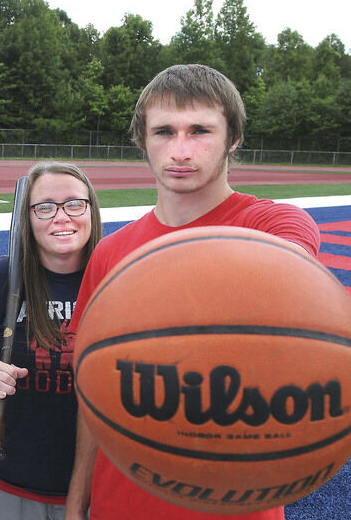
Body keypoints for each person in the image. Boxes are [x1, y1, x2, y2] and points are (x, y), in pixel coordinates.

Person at [63, 64, 320, 520]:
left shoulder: (268, 223)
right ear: (142, 139)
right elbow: (93, 392)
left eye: (200, 130)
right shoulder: (110, 253)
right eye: (164, 131)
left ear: (233, 138)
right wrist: (78, 498)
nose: (180, 150)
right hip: (118, 505)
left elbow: (291, 262)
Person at [0, 161, 103, 519]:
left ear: (92, 210)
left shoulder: (118, 275)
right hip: (14, 481)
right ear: (27, 218)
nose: (61, 217)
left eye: (74, 204)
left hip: (100, 483)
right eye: (45, 207)